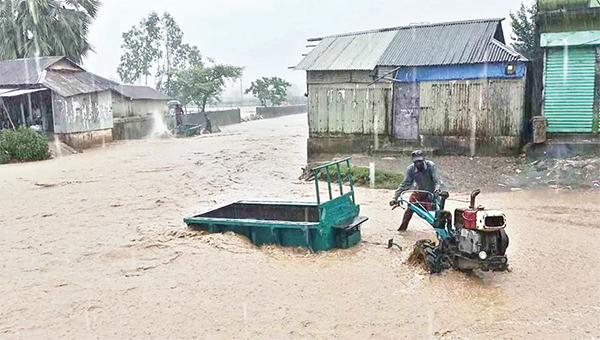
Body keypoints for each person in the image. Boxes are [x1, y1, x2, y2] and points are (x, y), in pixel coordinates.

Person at [390, 150, 441, 232]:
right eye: (416, 162)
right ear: (413, 161)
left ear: (423, 159)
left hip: (431, 194)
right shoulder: (411, 169)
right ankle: (401, 231)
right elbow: (405, 184)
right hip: (418, 193)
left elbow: (436, 181)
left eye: (420, 161)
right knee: (408, 212)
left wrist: (437, 189)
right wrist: (395, 198)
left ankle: (439, 234)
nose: (418, 164)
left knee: (437, 217)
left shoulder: (431, 166)